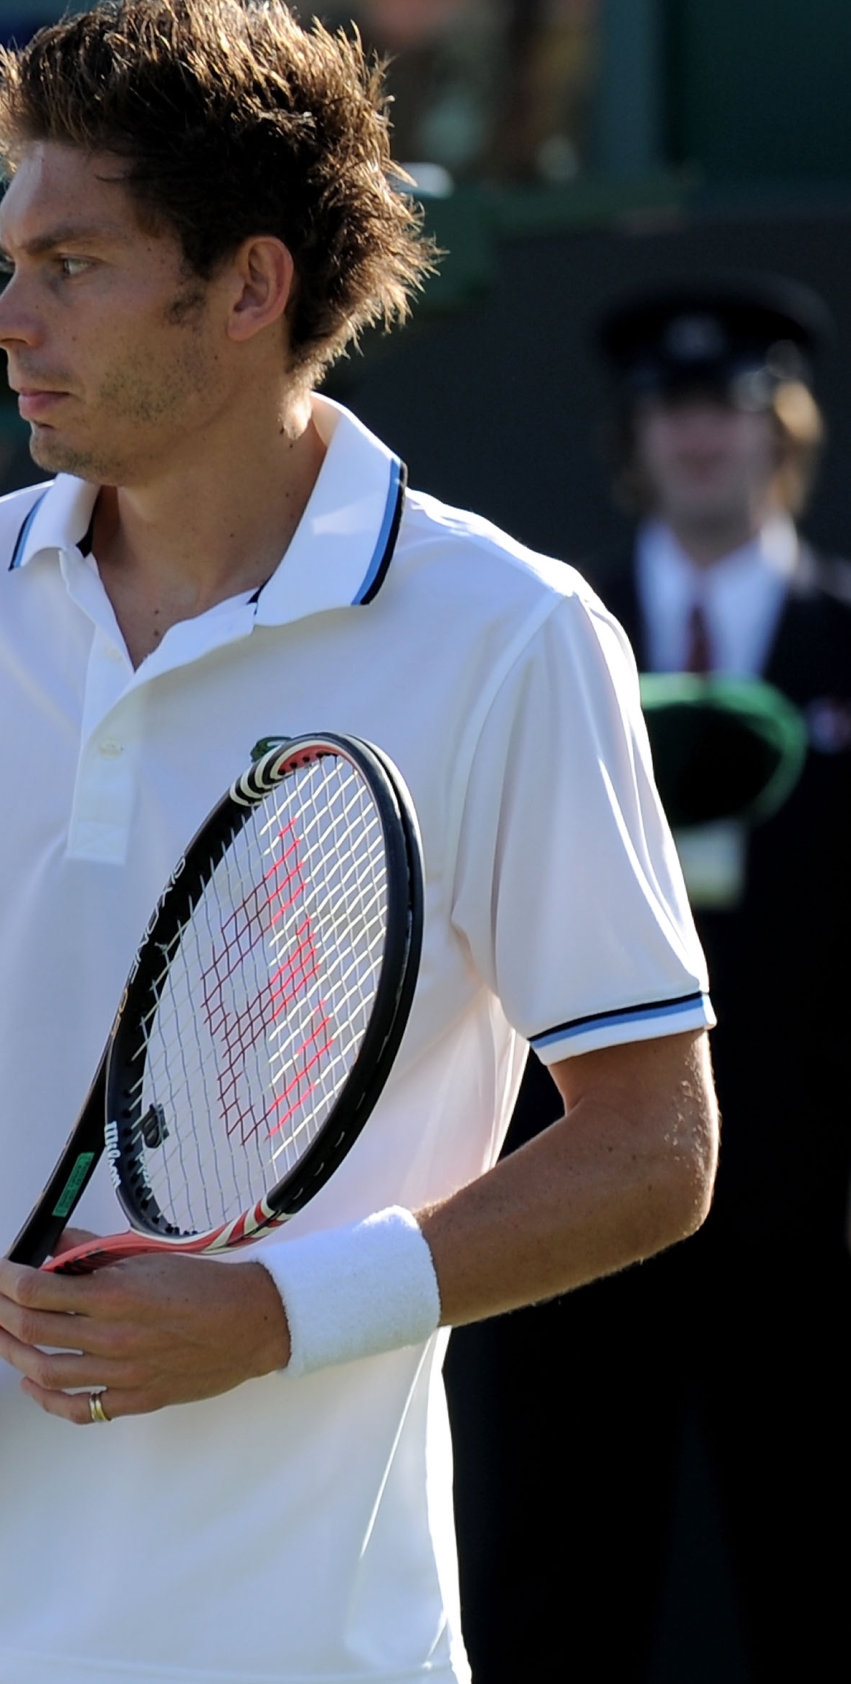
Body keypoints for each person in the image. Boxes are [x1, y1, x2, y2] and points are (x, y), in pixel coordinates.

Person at [0, 0, 717, 1684]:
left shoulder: (512, 635)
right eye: (5, 266)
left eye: (69, 267)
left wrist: (270, 1316)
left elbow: (651, 1151)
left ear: (246, 286)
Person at [472, 277, 851, 1679]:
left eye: (732, 407)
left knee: (817, 1568)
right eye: (672, 411)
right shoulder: (544, 649)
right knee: (555, 1579)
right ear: (633, 438)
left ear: (782, 433)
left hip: (809, 1228)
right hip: (571, 1200)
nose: (702, 439)